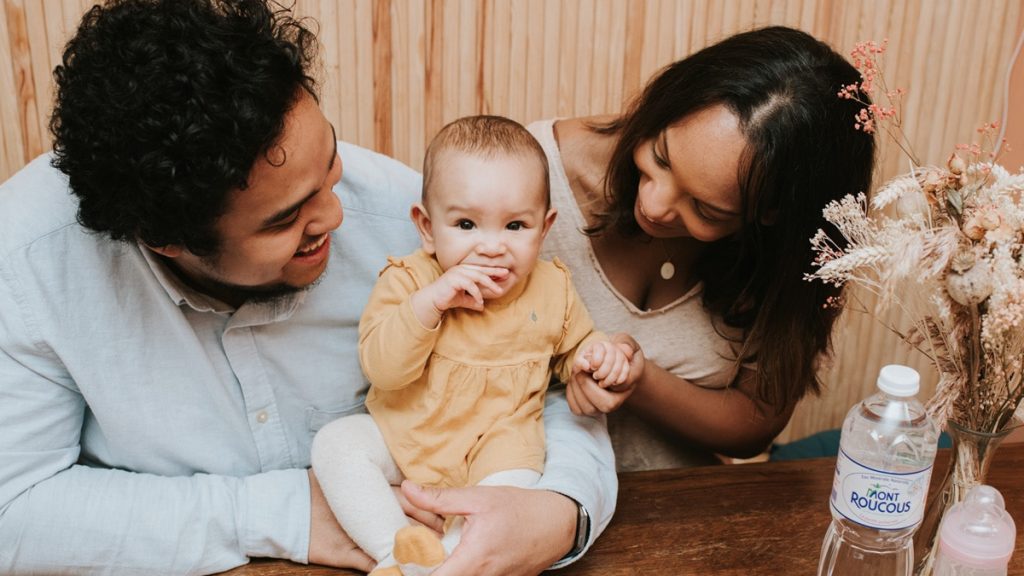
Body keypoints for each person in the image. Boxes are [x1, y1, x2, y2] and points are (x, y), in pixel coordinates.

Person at [0, 1, 615, 574]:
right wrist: (283, 514)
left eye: (329, 165)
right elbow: (13, 511)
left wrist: (563, 509)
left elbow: (536, 375)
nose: (336, 215)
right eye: (284, 220)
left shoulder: (409, 215)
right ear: (167, 241)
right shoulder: (29, 265)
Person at [530, 26, 877, 471]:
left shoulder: (794, 260)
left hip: (683, 511)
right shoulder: (531, 174)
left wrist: (639, 381)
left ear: (770, 216)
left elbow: (754, 425)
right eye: (660, 156)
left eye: (706, 209)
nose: (653, 206)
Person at [311, 115, 641, 576]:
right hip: (405, 435)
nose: (491, 246)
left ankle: (452, 558)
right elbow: (382, 370)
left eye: (515, 226)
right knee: (336, 444)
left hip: (499, 449)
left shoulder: (552, 289)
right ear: (427, 227)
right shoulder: (408, 280)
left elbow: (575, 352)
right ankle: (393, 551)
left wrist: (597, 357)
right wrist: (430, 305)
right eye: (466, 224)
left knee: (514, 493)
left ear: (544, 229)